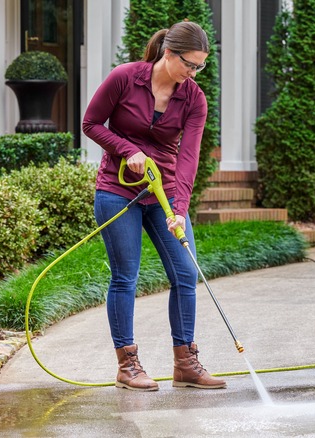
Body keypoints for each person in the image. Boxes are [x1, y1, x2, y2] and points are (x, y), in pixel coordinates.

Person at [82, 21, 225, 391]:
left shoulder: (193, 98)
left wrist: (180, 207)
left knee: (185, 273)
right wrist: (128, 150)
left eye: (200, 67)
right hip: (118, 189)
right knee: (126, 276)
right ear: (169, 52)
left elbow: (189, 157)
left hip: (164, 194)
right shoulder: (125, 78)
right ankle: (128, 366)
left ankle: (186, 364)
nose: (193, 74)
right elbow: (91, 123)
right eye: (189, 64)